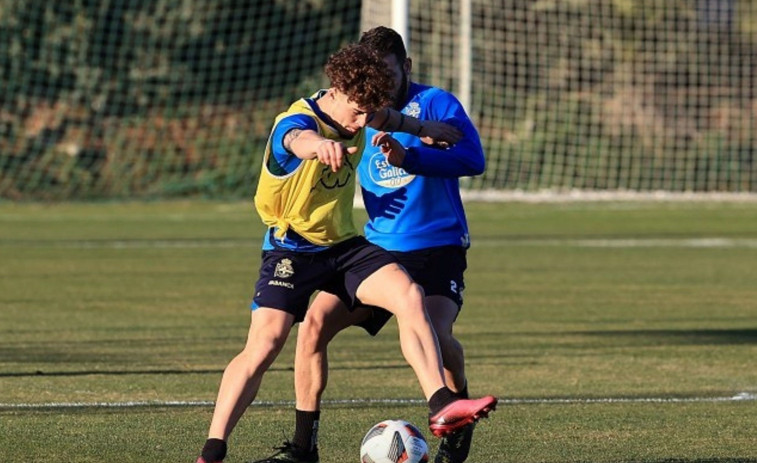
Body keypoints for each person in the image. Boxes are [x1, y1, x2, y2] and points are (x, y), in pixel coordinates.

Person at [195, 42, 497, 463]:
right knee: (265, 345)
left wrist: (424, 129)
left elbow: (390, 117)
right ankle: (213, 450)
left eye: (367, 115)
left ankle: (442, 403)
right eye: (355, 113)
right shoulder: (295, 122)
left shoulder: (366, 111)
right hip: (291, 248)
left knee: (409, 295)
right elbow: (295, 139)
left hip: (343, 244)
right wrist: (319, 146)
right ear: (334, 90)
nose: (361, 125)